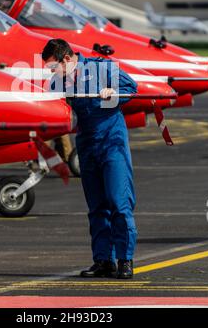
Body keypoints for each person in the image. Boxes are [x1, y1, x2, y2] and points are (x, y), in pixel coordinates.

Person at [42, 39, 138, 279]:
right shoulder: (60, 80)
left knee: (118, 201)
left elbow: (132, 87)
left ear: (66, 59)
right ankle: (103, 260)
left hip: (111, 142)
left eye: (53, 67)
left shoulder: (102, 68)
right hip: (86, 144)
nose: (51, 73)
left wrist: (113, 93)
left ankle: (125, 259)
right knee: (96, 206)